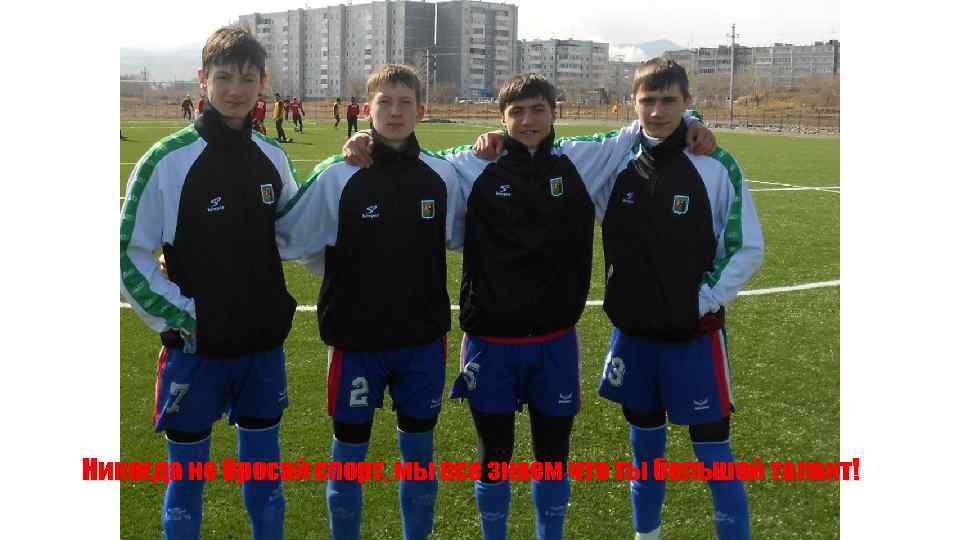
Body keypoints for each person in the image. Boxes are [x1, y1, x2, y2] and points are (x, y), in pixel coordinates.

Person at [342, 74, 716, 540]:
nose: (528, 120)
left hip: (554, 343)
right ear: (501, 119)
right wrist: (366, 141)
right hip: (489, 343)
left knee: (552, 456)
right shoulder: (474, 164)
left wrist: (693, 122)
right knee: (493, 457)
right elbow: (414, 159)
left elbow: (645, 125)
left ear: (554, 113)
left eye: (538, 109)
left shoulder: (580, 158)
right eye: (516, 112)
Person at [119, 25, 300, 540]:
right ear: (203, 79)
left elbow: (300, 232)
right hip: (195, 351)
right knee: (186, 481)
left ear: (262, 82)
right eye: (224, 77)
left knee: (265, 480)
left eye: (247, 78)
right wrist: (186, 316)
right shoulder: (166, 160)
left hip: (261, 348)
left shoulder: (273, 156)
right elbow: (127, 255)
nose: (235, 90)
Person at [275, 64, 465, 540]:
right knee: (348, 455)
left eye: (406, 103)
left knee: (419, 455)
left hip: (422, 341)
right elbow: (293, 238)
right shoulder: (338, 175)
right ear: (366, 109)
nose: (395, 112)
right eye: (385, 102)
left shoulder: (444, 175)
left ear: (422, 110)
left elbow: (462, 230)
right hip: (355, 341)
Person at [593, 58, 764, 540]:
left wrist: (702, 300)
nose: (657, 111)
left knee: (713, 454)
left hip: (694, 337)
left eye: (669, 100)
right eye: (647, 100)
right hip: (633, 337)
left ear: (688, 102)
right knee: (644, 454)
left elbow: (746, 246)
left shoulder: (715, 164)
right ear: (633, 103)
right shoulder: (614, 164)